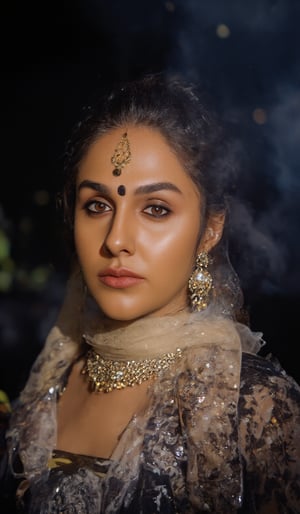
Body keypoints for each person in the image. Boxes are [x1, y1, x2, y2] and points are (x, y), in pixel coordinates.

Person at [0, 72, 299, 513]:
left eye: (155, 209)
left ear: (210, 230)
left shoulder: (255, 408)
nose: (116, 239)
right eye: (97, 206)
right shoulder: (50, 383)